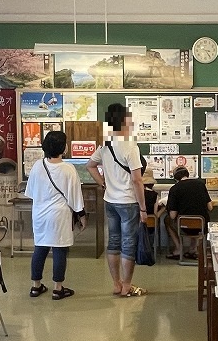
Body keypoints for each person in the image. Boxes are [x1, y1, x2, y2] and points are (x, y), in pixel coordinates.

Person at [87, 103, 147, 297]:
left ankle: (116, 284)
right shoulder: (131, 146)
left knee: (113, 242)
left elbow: (90, 166)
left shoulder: (106, 144)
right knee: (128, 243)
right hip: (128, 201)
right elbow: (137, 180)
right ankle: (127, 286)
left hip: (110, 200)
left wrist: (104, 183)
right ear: (124, 120)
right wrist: (144, 209)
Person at [26, 130, 87, 300]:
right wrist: (82, 216)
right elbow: (76, 196)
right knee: (60, 249)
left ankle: (35, 286)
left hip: (39, 214)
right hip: (60, 215)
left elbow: (30, 192)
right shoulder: (68, 169)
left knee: (40, 248)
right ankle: (57, 288)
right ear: (63, 147)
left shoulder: (38, 166)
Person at [165, 166, 213, 260]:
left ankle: (179, 249)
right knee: (196, 217)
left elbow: (172, 215)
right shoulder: (200, 184)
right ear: (187, 174)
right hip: (202, 226)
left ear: (175, 178)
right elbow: (210, 207)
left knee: (167, 220)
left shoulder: (175, 189)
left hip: (185, 227)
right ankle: (193, 249)